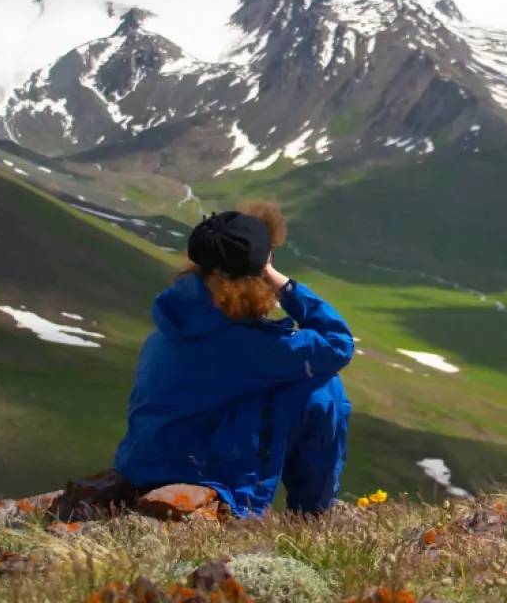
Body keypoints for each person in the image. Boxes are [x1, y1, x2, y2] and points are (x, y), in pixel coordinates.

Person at [113, 202, 354, 516]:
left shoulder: (178, 319)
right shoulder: (250, 346)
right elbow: (338, 343)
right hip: (200, 476)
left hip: (142, 465)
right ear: (254, 279)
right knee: (322, 389)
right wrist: (283, 283)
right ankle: (314, 515)